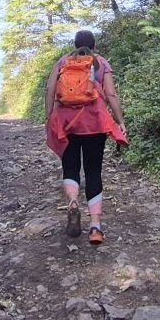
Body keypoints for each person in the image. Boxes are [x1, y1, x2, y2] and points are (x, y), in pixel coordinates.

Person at [44, 30, 127, 244]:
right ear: (94, 44)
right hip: (95, 122)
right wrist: (120, 121)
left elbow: (50, 89)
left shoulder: (63, 61)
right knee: (93, 171)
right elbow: (111, 94)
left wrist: (49, 117)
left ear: (74, 44)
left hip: (66, 123)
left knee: (70, 166)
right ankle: (95, 227)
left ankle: (73, 201)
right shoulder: (101, 63)